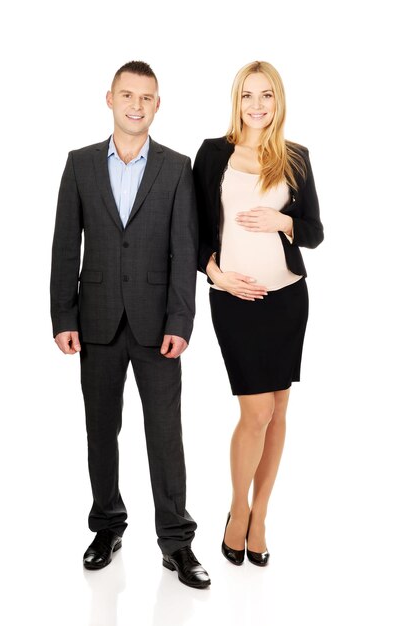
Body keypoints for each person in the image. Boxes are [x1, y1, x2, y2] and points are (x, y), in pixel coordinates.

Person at [50, 61, 210, 589]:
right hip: (94, 322)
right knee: (102, 431)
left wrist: (181, 322)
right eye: (127, 95)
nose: (136, 105)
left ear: (158, 105)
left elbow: (185, 248)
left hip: (157, 327)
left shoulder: (176, 167)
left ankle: (177, 542)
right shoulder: (79, 165)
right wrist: (62, 316)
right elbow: (63, 247)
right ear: (110, 99)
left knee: (166, 435)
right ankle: (106, 527)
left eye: (146, 97)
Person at [193, 61, 324, 567]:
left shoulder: (296, 157)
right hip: (234, 301)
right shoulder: (212, 154)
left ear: (278, 101)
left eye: (266, 95)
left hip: (288, 299)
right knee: (256, 411)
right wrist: (214, 273)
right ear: (236, 100)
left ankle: (261, 515)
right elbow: (194, 229)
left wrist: (282, 219)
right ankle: (236, 509)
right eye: (248, 95)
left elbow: (313, 230)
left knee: (280, 411)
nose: (256, 105)